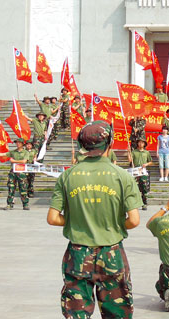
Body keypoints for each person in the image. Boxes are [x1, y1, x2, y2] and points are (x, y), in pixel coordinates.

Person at [47, 121, 142, 319]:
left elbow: (53, 218)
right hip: (111, 252)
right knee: (117, 311)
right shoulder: (122, 176)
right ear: (110, 143)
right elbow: (133, 220)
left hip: (78, 254)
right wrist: (113, 223)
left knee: (76, 312)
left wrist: (75, 219)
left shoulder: (67, 176)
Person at [0, 138, 30, 210]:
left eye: (19, 143)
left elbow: (24, 161)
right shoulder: (13, 152)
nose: (17, 144)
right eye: (16, 143)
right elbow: (3, 154)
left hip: (22, 173)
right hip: (13, 172)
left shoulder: (26, 152)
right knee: (11, 188)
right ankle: (9, 204)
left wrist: (14, 161)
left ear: (22, 144)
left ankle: (25, 204)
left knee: (23, 188)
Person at [128, 138, 153, 211]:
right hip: (135, 171)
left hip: (143, 171)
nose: (140, 144)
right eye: (139, 142)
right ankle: (134, 204)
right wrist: (128, 152)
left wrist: (146, 164)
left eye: (142, 143)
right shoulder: (134, 152)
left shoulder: (146, 152)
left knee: (144, 187)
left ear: (144, 144)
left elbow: (151, 162)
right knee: (134, 187)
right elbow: (130, 160)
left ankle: (144, 203)